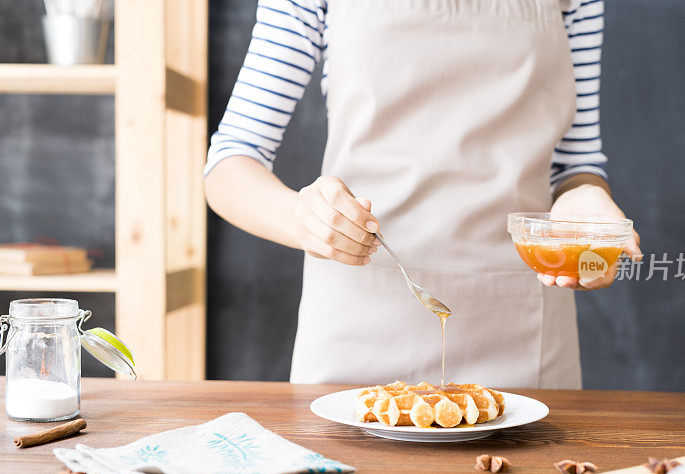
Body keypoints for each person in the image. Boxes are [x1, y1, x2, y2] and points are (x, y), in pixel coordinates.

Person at [204, 0, 641, 388]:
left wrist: (584, 197)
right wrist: (303, 219)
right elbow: (232, 159)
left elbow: (576, 162)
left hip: (523, 326)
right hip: (356, 328)